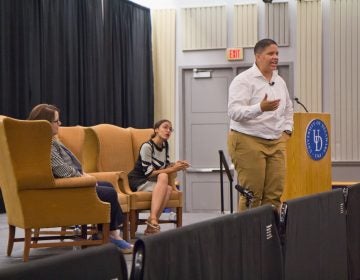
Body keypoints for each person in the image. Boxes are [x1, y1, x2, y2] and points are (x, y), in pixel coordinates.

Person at [28, 104, 133, 254]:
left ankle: (104, 233)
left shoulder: (48, 140)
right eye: (57, 121)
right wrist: (85, 179)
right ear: (45, 123)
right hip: (65, 191)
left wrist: (86, 177)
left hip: (70, 185)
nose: (60, 124)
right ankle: (113, 236)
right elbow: (62, 170)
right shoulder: (45, 143)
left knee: (108, 186)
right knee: (109, 193)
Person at [227, 38, 294, 212]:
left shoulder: (279, 81)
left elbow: (288, 108)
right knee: (252, 195)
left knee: (274, 195)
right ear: (258, 56)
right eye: (270, 53)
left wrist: (287, 129)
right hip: (247, 139)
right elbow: (234, 112)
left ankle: (269, 235)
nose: (275, 57)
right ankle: (247, 237)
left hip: (276, 140)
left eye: (277, 53)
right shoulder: (243, 80)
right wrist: (260, 108)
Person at [128, 119, 189, 235]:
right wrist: (172, 169)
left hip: (151, 181)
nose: (168, 131)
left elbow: (165, 166)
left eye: (170, 129)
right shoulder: (147, 146)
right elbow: (149, 173)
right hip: (137, 181)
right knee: (163, 176)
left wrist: (176, 164)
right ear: (156, 130)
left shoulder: (165, 145)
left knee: (169, 188)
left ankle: (152, 221)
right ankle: (153, 220)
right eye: (165, 127)